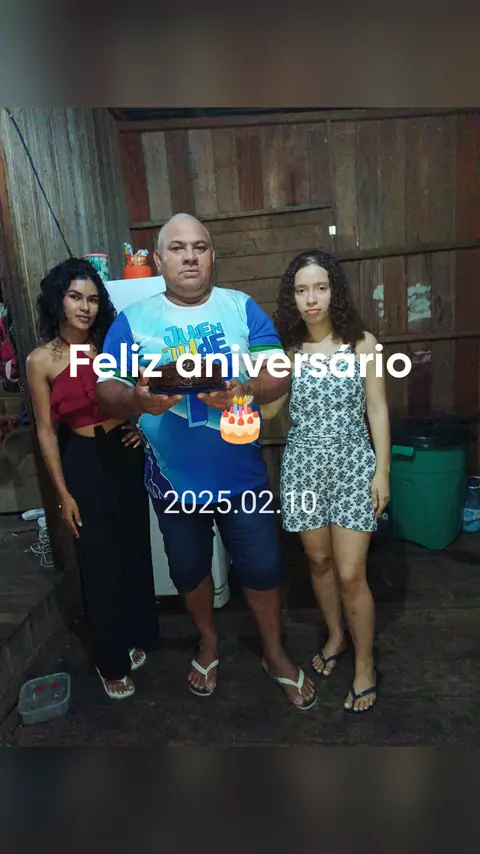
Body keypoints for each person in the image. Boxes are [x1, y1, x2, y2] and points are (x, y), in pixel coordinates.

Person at [95, 213, 317, 711]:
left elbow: (278, 371)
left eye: (199, 247)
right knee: (189, 567)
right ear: (159, 260)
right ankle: (209, 641)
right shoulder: (132, 320)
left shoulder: (240, 307)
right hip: (173, 481)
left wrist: (246, 389)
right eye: (178, 248)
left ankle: (274, 652)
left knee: (263, 566)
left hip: (242, 477)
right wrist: (136, 401)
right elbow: (106, 387)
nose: (190, 256)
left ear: (212, 255)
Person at [262, 250, 390, 713]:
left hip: (354, 462)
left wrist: (382, 470)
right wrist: (244, 389)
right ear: (291, 298)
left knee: (351, 572)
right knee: (318, 562)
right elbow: (270, 411)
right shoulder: (288, 351)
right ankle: (336, 635)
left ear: (335, 291)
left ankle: (365, 664)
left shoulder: (362, 344)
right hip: (302, 466)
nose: (311, 298)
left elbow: (377, 408)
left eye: (320, 287)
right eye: (301, 290)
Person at [26, 258, 159, 700]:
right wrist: (63, 494)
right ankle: (110, 661)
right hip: (81, 458)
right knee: (98, 560)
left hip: (123, 452)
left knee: (132, 550)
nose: (85, 307)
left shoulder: (111, 346)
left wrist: (140, 426)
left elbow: (141, 393)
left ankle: (134, 633)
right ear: (58, 300)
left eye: (93, 299)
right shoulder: (41, 360)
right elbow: (46, 430)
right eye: (75, 297)